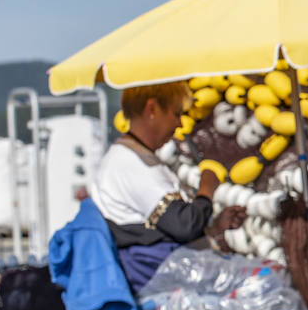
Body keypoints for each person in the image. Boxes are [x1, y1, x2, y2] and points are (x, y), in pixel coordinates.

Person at [89, 82, 244, 293]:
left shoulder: (138, 158)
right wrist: (206, 189)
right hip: (164, 285)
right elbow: (184, 225)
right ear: (152, 109)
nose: (179, 124)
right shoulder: (128, 164)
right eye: (176, 114)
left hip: (174, 275)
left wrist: (216, 227)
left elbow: (163, 227)